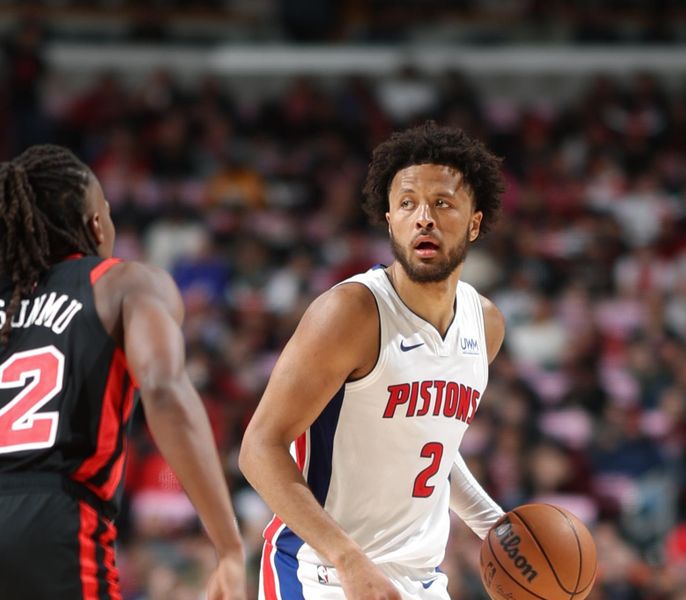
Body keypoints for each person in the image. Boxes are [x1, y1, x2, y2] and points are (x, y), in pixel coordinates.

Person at [239, 121, 507, 600]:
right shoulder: (351, 312)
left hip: (420, 581)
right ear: (389, 220)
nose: (423, 217)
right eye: (407, 204)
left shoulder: (484, 325)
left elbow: (432, 446)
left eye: (442, 203)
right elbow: (259, 448)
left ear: (475, 222)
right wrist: (346, 558)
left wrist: (495, 526)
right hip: (321, 573)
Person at [0, 144, 246, 600]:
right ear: (96, 224)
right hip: (54, 520)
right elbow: (163, 387)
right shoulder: (123, 281)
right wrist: (228, 546)